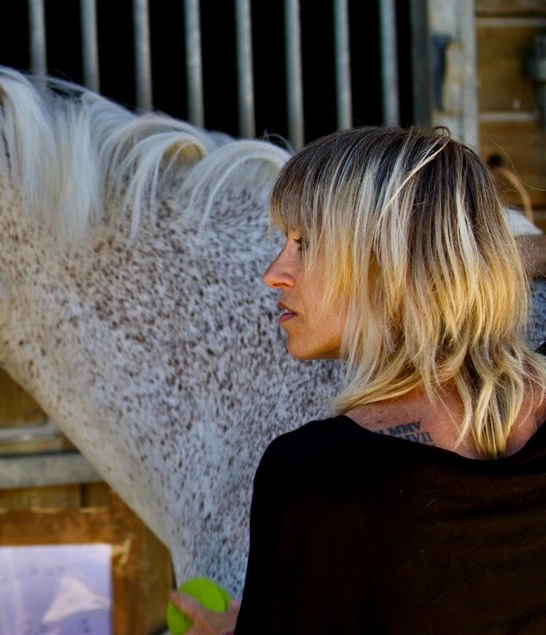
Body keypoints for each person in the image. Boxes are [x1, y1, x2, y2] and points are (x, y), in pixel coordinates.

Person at [170, 125, 546, 634]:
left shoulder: (315, 477)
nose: (274, 272)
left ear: (385, 262)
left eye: (304, 242)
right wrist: (481, 262)